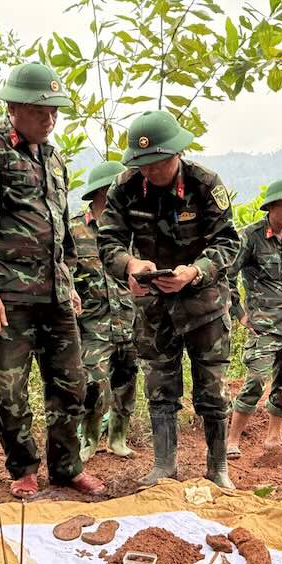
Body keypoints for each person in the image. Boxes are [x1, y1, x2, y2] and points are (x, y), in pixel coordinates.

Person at [0, 61, 105, 499]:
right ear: (14, 108)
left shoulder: (53, 158)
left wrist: (69, 282)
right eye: (40, 111)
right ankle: (23, 468)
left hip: (54, 295)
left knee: (71, 384)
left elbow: (61, 229)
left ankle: (67, 467)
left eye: (54, 111)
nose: (50, 119)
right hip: (9, 296)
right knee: (11, 390)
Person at [97, 109, 239, 489]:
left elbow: (228, 243)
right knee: (160, 387)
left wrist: (195, 271)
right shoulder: (124, 187)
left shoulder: (205, 184)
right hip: (154, 308)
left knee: (212, 389)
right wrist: (130, 266)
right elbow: (108, 242)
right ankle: (164, 466)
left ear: (177, 153)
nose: (150, 171)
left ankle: (217, 468)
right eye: (142, 164)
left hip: (204, 306)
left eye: (158, 163)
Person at [226, 179, 282, 457]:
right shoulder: (250, 237)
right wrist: (239, 313)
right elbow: (226, 277)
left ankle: (274, 437)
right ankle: (232, 441)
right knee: (256, 379)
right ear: (271, 207)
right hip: (264, 325)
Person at [71, 161, 139, 461]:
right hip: (93, 323)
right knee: (94, 384)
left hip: (129, 319)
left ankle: (118, 438)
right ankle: (88, 439)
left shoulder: (132, 230)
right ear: (103, 191)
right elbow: (63, 269)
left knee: (127, 380)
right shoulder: (75, 229)